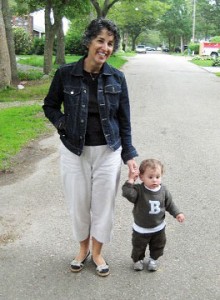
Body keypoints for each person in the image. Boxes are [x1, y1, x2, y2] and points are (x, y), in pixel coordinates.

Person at [43, 18, 138, 277]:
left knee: (103, 204)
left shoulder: (117, 77)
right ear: (89, 42)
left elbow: (124, 120)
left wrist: (129, 155)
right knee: (79, 203)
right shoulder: (66, 74)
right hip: (75, 151)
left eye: (110, 43)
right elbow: (49, 105)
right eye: (100, 41)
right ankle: (82, 248)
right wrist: (63, 124)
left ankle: (97, 251)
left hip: (108, 151)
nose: (105, 47)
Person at [122, 159, 185, 272]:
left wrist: (177, 213)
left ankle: (153, 259)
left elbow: (170, 204)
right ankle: (138, 260)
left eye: (157, 176)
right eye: (150, 177)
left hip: (158, 228)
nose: (154, 180)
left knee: (158, 245)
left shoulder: (163, 191)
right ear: (141, 177)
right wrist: (131, 180)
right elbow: (127, 193)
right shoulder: (139, 190)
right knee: (138, 247)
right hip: (141, 229)